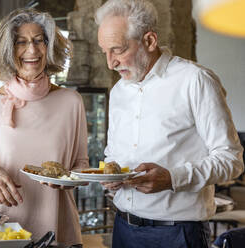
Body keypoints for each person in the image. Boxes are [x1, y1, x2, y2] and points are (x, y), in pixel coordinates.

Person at [95, 0, 244, 247]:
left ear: (150, 41)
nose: (110, 63)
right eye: (105, 52)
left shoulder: (196, 81)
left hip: (178, 235)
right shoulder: (119, 91)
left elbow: (231, 160)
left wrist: (174, 178)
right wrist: (111, 173)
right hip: (122, 229)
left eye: (118, 50)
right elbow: (115, 153)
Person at [0, 8, 88, 248]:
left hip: (57, 231)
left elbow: (81, 165)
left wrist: (66, 178)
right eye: (21, 42)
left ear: (49, 47)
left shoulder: (72, 102)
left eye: (39, 40)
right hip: (0, 232)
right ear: (8, 50)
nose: (32, 50)